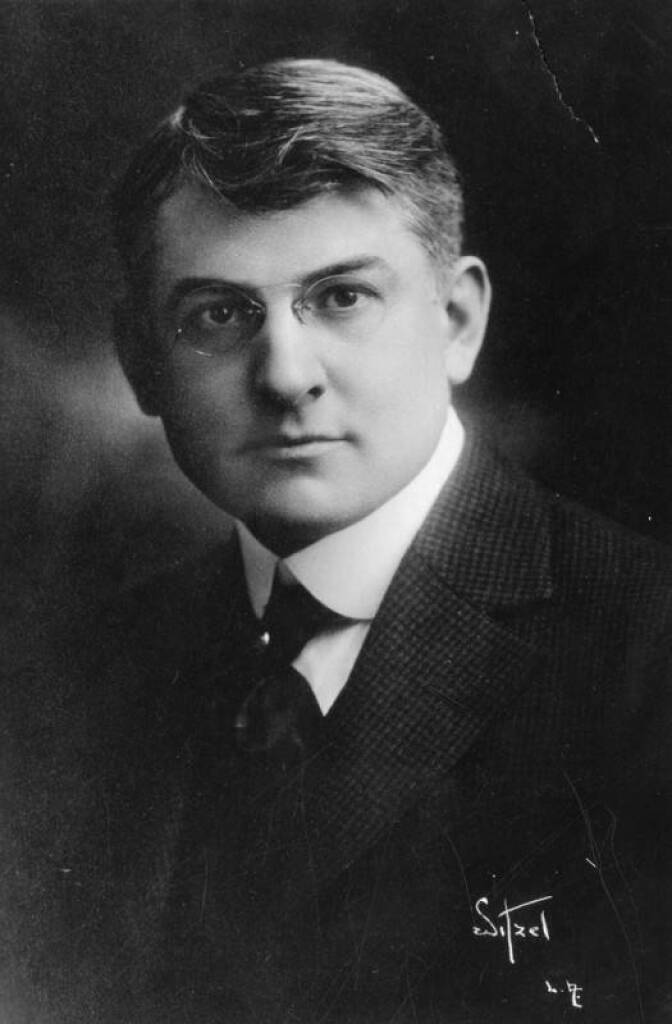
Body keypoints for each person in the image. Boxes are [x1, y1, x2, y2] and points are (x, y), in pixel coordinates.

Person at [48, 58, 672, 1023]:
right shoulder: (77, 678)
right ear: (141, 364)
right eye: (219, 314)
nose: (285, 375)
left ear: (457, 321)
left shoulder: (645, 652)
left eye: (340, 297)